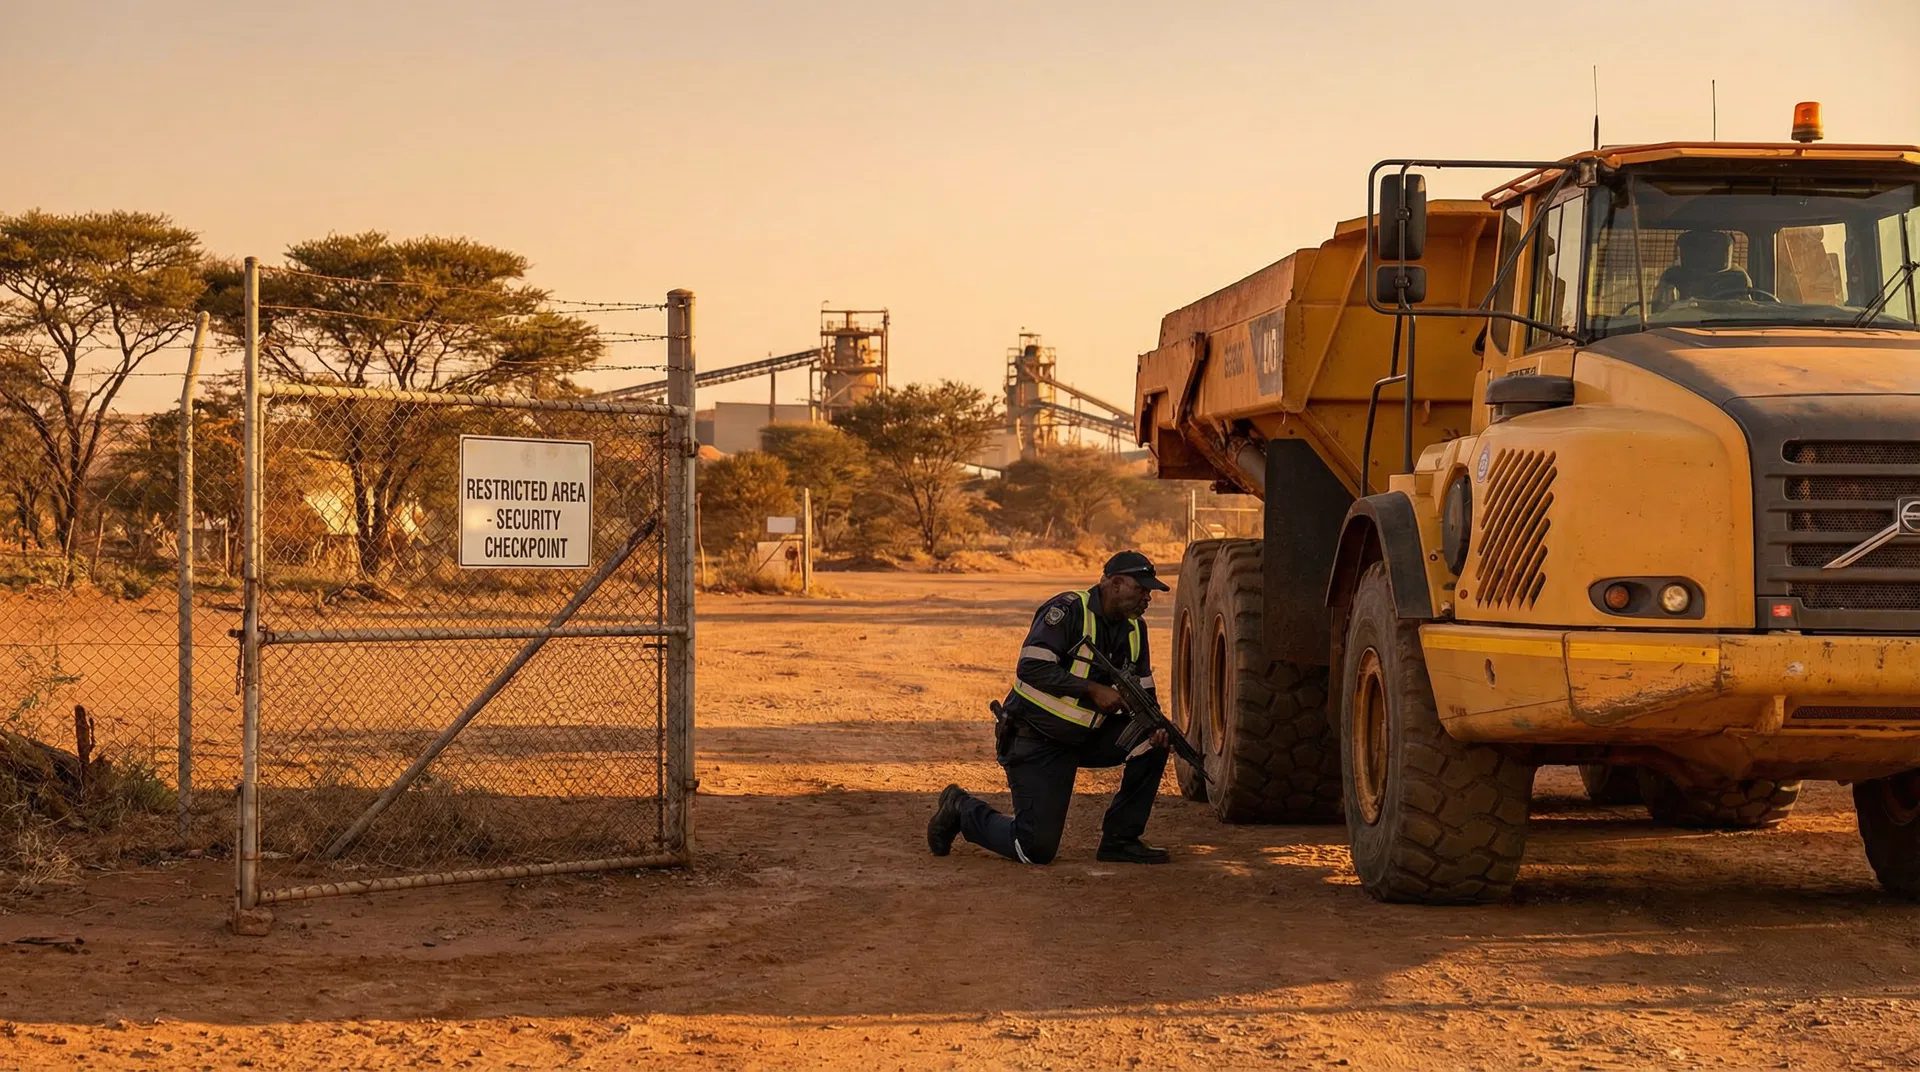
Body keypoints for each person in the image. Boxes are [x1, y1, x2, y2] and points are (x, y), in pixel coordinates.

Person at [926, 550, 1174, 865]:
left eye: (1150, 591)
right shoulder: (1068, 610)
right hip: (1036, 739)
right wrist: (1092, 689)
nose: (1147, 597)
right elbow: (1031, 667)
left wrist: (1155, 728)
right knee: (1034, 848)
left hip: (1085, 737)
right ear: (1115, 583)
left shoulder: (1136, 629)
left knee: (1151, 741)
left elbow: (1145, 691)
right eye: (1141, 589)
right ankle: (961, 809)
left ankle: (1120, 840)